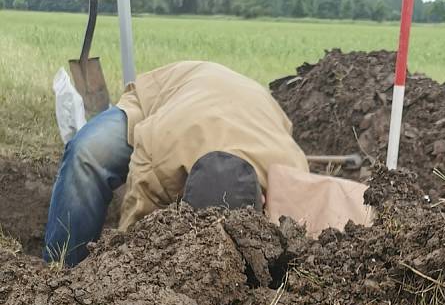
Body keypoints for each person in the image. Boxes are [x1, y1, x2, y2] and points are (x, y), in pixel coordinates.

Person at [44, 61, 309, 267]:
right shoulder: (161, 156)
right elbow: (137, 223)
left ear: (262, 202)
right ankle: (63, 268)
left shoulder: (291, 174)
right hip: (165, 96)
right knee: (87, 154)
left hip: (251, 102)